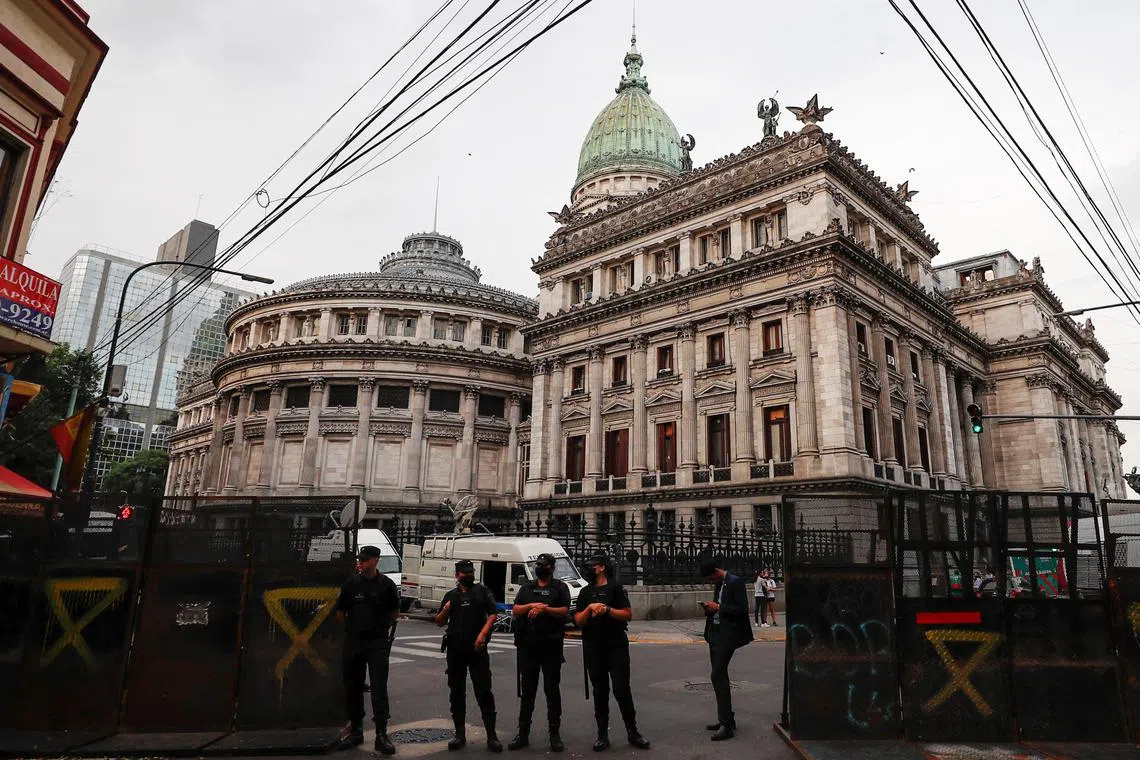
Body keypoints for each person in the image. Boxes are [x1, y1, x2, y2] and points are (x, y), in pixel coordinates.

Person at [572, 554, 650, 752]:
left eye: (592, 566)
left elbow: (627, 614)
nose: (588, 569)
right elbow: (578, 621)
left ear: (602, 568)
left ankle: (633, 731)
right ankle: (602, 735)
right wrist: (590, 608)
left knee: (621, 689)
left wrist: (607, 609)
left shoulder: (616, 588)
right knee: (600, 691)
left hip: (616, 645)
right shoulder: (585, 592)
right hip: (593, 646)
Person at [336, 545, 401, 755]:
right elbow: (340, 611)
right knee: (353, 687)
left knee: (379, 689)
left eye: (364, 560)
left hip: (377, 642)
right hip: (355, 641)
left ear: (375, 561)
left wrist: (380, 628)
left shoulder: (387, 585)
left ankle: (381, 735)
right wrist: (353, 627)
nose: (360, 563)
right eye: (359, 560)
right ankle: (356, 730)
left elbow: (395, 611)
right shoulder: (351, 585)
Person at [435, 560, 502, 752]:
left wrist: (483, 634)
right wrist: (446, 609)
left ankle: (491, 735)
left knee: (484, 691)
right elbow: (439, 622)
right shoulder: (451, 596)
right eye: (465, 573)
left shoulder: (481, 591)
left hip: (477, 650)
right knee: (456, 692)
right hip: (455, 650)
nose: (469, 575)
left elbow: (492, 613)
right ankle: (459, 733)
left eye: (471, 572)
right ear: (457, 576)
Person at [509, 553, 571, 752]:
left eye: (543, 565)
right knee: (528, 691)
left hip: (551, 646)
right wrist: (531, 605)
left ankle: (555, 733)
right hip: (528, 646)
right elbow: (516, 609)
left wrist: (544, 608)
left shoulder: (560, 587)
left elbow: (564, 611)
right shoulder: (527, 587)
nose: (540, 568)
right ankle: (523, 733)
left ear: (552, 567)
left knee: (552, 691)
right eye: (538, 565)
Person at [699, 557, 753, 741]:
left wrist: (719, 607)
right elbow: (719, 607)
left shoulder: (735, 582)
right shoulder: (720, 584)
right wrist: (710, 609)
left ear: (716, 572)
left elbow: (742, 609)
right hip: (714, 633)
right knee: (720, 676)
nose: (710, 582)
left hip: (727, 636)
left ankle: (726, 725)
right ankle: (727, 719)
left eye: (710, 578)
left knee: (717, 675)